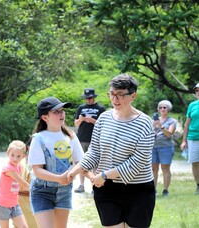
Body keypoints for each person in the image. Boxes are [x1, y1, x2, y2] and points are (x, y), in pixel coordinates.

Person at [67, 74, 155, 228]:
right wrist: (74, 171)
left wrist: (104, 175)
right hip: (106, 188)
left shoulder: (144, 123)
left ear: (133, 95)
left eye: (120, 95)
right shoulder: (104, 118)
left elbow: (138, 162)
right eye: (112, 94)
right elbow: (94, 152)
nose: (115, 99)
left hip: (138, 189)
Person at [28, 97, 84, 228]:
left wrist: (92, 177)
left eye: (62, 111)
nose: (62, 114)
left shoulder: (70, 136)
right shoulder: (39, 138)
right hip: (42, 191)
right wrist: (59, 178)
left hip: (65, 191)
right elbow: (37, 170)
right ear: (44, 117)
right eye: (56, 112)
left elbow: (81, 162)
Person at [74, 88, 106, 193]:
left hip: (96, 139)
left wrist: (92, 121)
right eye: (86, 98)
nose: (88, 100)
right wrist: (81, 119)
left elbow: (104, 125)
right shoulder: (81, 108)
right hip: (82, 138)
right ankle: (81, 185)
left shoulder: (101, 108)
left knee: (95, 163)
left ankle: (94, 184)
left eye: (90, 98)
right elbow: (76, 124)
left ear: (94, 97)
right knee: (81, 162)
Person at [0, 140, 29, 228]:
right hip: (3, 204)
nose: (15, 159)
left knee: (24, 226)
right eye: (12, 155)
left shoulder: (18, 166)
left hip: (14, 203)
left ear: (23, 156)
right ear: (8, 153)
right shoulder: (8, 168)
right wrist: (36, 190)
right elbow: (22, 183)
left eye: (18, 156)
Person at [152, 100, 177, 197]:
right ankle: (153, 190)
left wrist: (161, 127)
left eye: (164, 107)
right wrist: (153, 126)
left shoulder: (172, 121)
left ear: (168, 109)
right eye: (160, 107)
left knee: (165, 168)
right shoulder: (154, 120)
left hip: (166, 147)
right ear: (158, 109)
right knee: (154, 169)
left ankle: (165, 190)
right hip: (154, 147)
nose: (162, 109)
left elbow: (169, 134)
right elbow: (149, 133)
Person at [181, 82, 199, 194]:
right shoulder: (192, 105)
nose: (198, 92)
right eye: (196, 90)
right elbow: (187, 124)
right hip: (193, 137)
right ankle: (198, 185)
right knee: (195, 163)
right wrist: (184, 140)